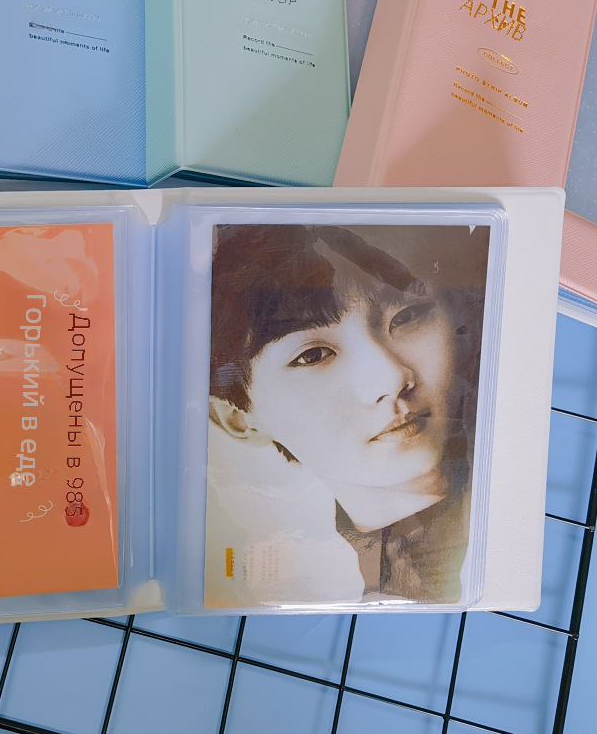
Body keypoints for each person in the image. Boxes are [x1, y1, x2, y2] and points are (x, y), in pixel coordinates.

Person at [206, 223, 486, 606]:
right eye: (313, 355)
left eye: (406, 317)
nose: (390, 378)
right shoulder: (346, 587)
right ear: (238, 418)